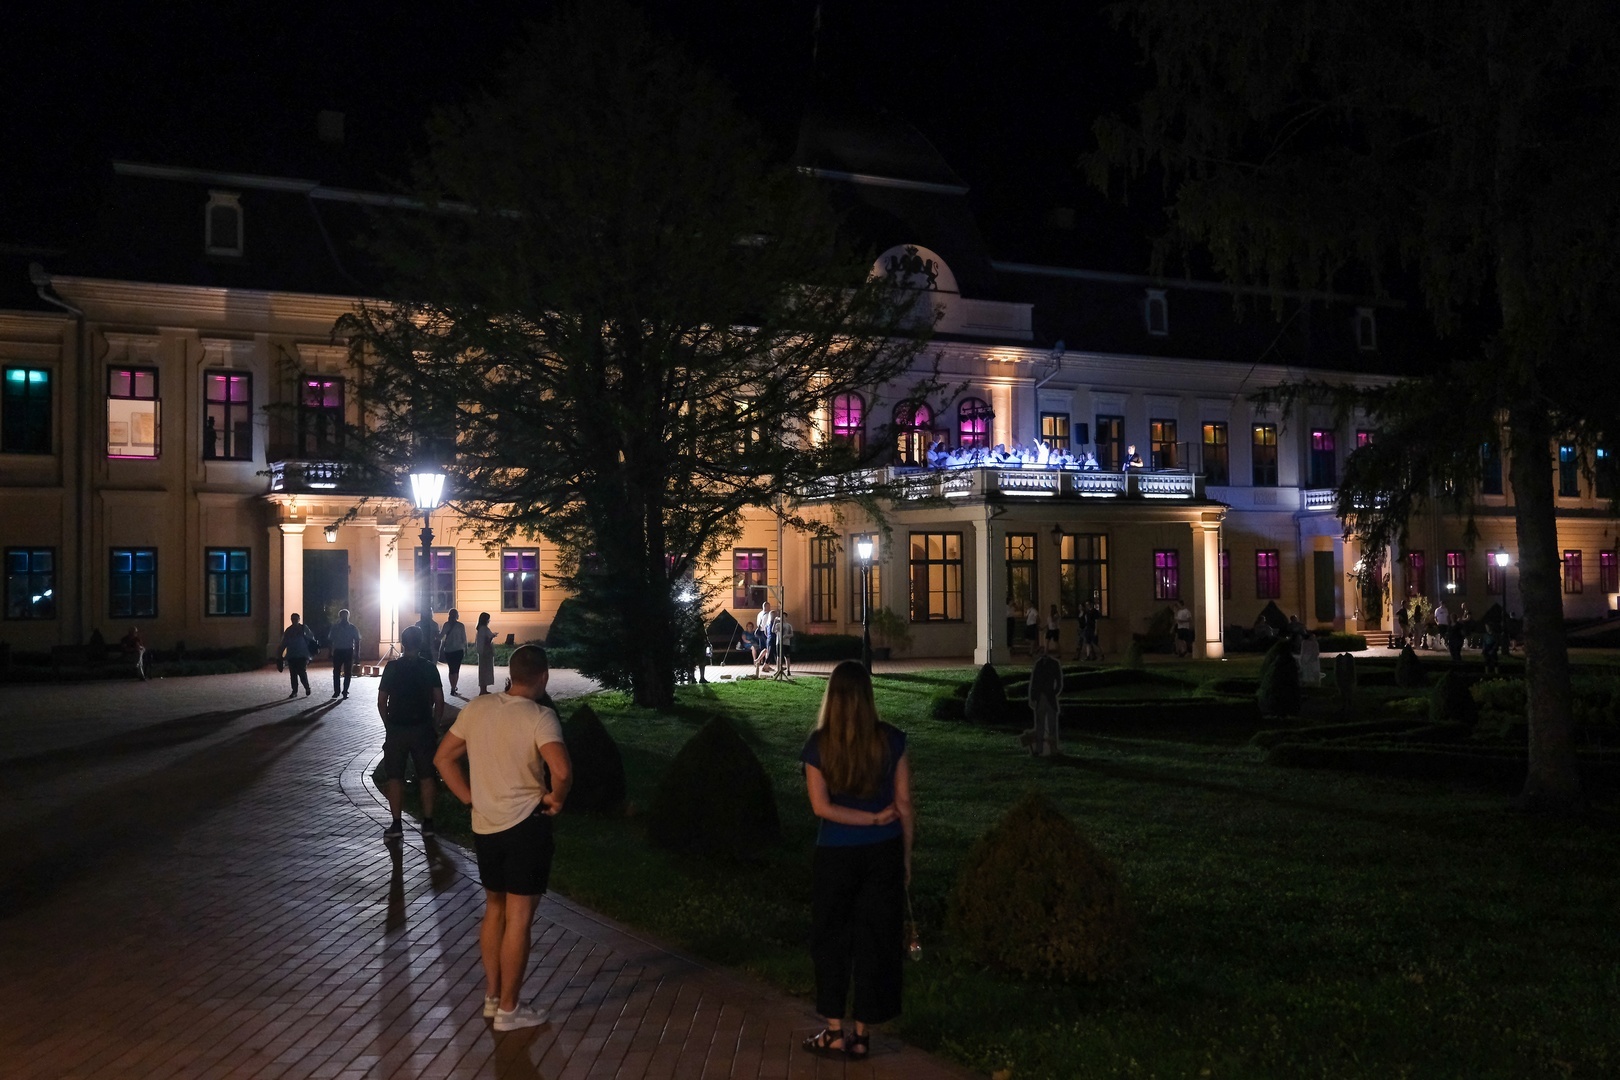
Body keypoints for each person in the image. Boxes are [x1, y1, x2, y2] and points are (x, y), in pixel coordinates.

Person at [434, 644, 572, 1032]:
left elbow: (443, 758)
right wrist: (557, 799)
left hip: (485, 827)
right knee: (519, 919)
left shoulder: (478, 708)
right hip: (526, 826)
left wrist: (468, 797)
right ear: (543, 677)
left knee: (494, 909)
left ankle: (493, 997)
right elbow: (561, 771)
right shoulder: (540, 716)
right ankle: (510, 1010)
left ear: (510, 673)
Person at [799, 661, 914, 1060]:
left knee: (831, 938)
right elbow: (904, 804)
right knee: (875, 941)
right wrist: (904, 854)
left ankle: (833, 1031)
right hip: (883, 852)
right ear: (868, 695)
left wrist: (866, 819)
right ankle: (862, 1035)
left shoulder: (819, 745)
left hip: (835, 854)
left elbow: (821, 807)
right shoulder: (891, 740)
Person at [377, 624, 445, 841]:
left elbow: (381, 701)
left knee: (395, 777)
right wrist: (435, 725)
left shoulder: (392, 668)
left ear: (403, 643)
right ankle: (428, 823)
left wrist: (388, 724)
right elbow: (439, 700)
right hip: (423, 727)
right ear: (421, 643)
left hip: (397, 728)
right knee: (427, 776)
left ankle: (396, 824)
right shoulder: (429, 668)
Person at [1023, 651, 1064, 756]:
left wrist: (1054, 693)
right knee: (1040, 725)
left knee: (1051, 725)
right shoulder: (1039, 664)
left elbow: (1059, 682)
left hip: (1048, 698)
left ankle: (1052, 748)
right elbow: (1034, 682)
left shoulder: (1053, 663)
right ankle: (1039, 748)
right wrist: (1032, 698)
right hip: (1041, 698)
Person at [277, 613, 319, 698]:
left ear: (299, 619)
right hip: (292, 654)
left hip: (302, 654)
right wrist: (280, 654)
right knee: (293, 674)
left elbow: (311, 638)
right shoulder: (288, 630)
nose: (294, 620)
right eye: (293, 619)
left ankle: (306, 687)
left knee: (302, 672)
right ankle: (295, 691)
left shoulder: (303, 628)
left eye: (296, 619)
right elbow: (284, 643)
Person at [328, 608, 360, 698]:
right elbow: (330, 641)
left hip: (348, 651)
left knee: (347, 672)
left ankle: (345, 690)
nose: (344, 617)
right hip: (339, 651)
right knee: (336, 672)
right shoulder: (336, 628)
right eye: (343, 616)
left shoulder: (352, 628)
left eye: (345, 616)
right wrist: (330, 652)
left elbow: (357, 641)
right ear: (340, 616)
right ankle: (337, 691)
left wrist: (357, 653)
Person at [441, 608, 469, 697]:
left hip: (448, 650)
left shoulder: (446, 624)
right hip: (458, 650)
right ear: (457, 615)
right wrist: (466, 649)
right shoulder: (460, 625)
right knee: (456, 670)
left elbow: (441, 636)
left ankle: (452, 687)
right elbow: (464, 638)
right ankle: (454, 688)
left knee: (451, 669)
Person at [475, 612, 497, 695]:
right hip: (486, 652)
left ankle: (483, 689)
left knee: (483, 670)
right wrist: (492, 636)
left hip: (482, 652)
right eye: (488, 619)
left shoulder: (480, 629)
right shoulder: (484, 629)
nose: (489, 621)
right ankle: (483, 690)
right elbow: (487, 640)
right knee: (485, 670)